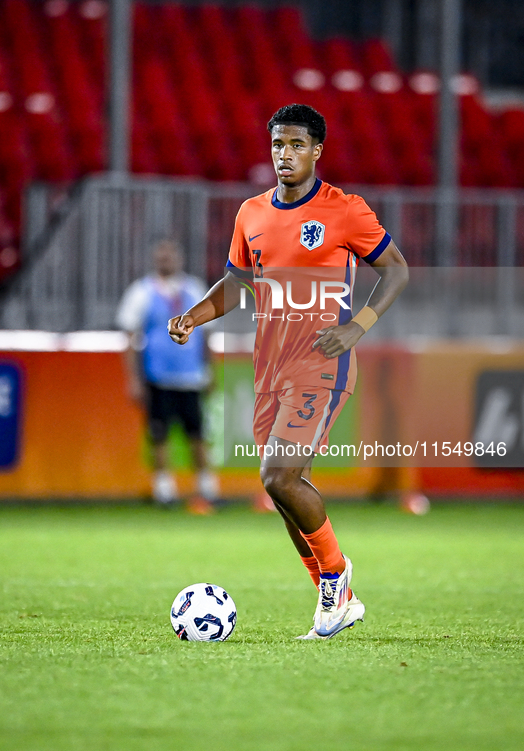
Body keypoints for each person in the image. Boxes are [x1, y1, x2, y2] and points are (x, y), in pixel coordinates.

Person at [168, 104, 408, 638]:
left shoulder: (345, 210)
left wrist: (358, 325)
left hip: (322, 363)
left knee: (277, 475)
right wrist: (194, 316)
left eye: (297, 145)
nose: (285, 154)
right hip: (269, 369)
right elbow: (234, 284)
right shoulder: (251, 213)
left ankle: (337, 577)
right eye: (278, 144)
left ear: (317, 150)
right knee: (281, 490)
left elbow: (396, 269)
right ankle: (332, 598)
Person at [116, 239, 219, 512]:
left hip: (191, 376)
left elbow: (207, 332)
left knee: (197, 433)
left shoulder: (195, 289)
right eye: (161, 257)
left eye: (170, 256)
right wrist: (133, 378)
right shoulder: (141, 292)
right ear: (154, 260)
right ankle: (164, 489)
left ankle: (206, 488)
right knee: (159, 434)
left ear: (179, 259)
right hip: (157, 377)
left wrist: (210, 369)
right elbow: (129, 336)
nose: (166, 261)